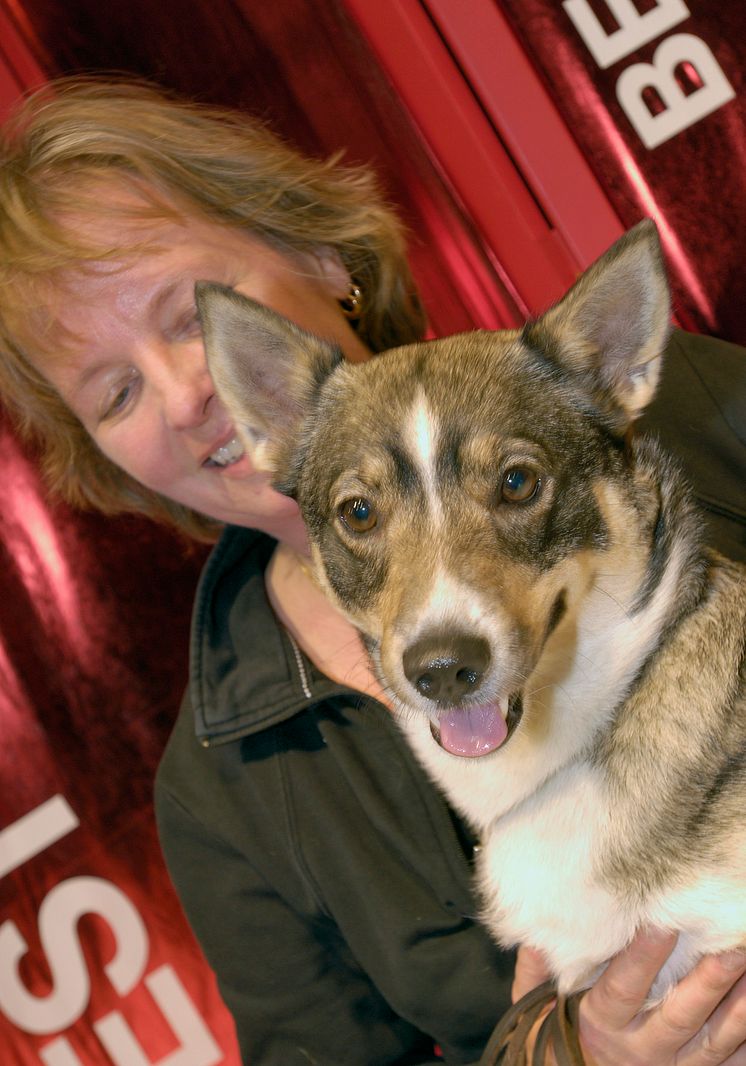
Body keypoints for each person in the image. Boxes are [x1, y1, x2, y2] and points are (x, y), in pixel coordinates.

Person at [0, 77, 744, 1066]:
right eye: (116, 391)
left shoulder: (672, 411)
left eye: (192, 317)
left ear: (314, 252)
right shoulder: (226, 793)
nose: (191, 394)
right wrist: (554, 1056)